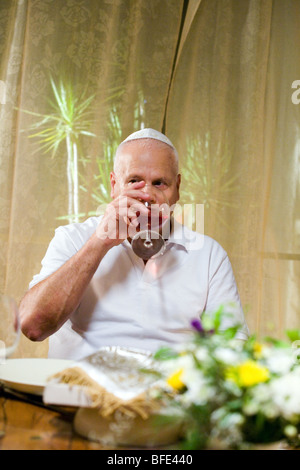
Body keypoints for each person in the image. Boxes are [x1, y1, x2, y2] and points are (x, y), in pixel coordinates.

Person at [19, 128, 249, 360]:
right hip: (80, 389)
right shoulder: (73, 238)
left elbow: (233, 349)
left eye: (159, 183)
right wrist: (100, 242)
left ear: (177, 189)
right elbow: (33, 326)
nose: (147, 194)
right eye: (134, 181)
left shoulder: (209, 255)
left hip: (169, 391)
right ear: (114, 185)